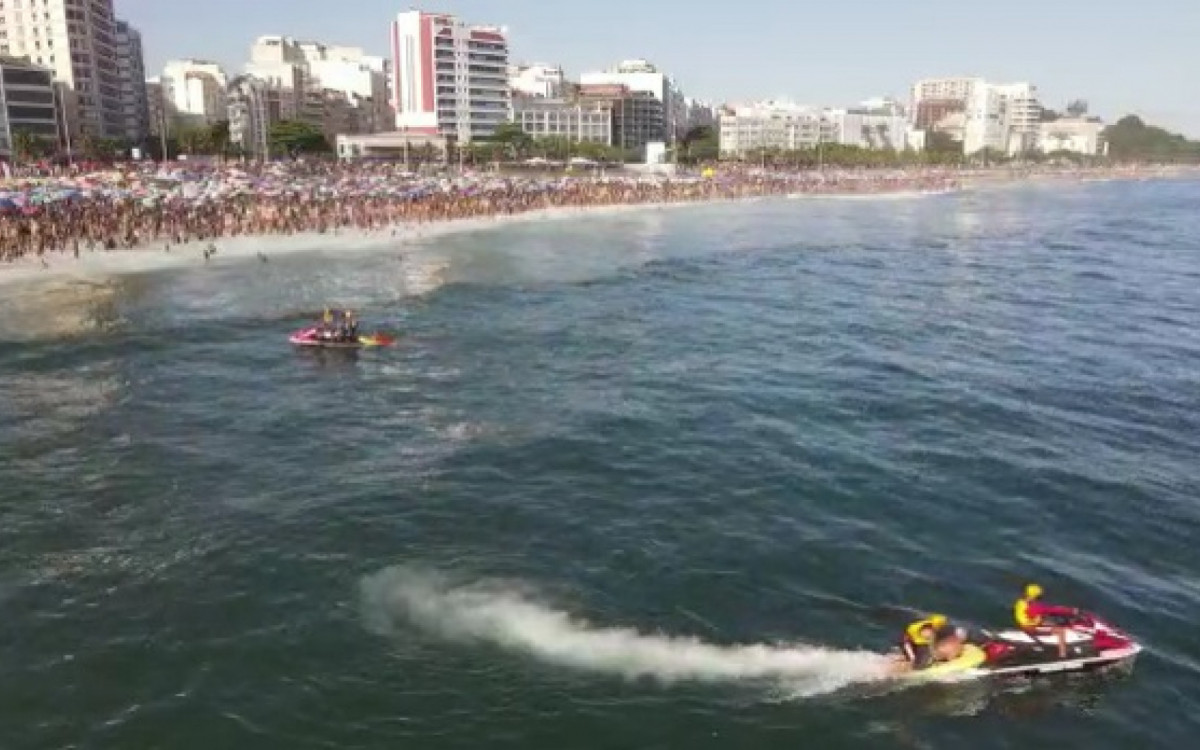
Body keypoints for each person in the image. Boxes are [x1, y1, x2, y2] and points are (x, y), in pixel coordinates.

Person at [1014, 583, 1078, 658]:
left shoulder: (1020, 602)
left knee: (1051, 623)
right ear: (1034, 596)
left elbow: (1037, 615)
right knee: (1060, 631)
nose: (1040, 598)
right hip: (1030, 628)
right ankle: (1063, 655)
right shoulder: (1032, 607)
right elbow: (1049, 610)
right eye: (1038, 597)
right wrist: (1070, 611)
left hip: (1026, 625)